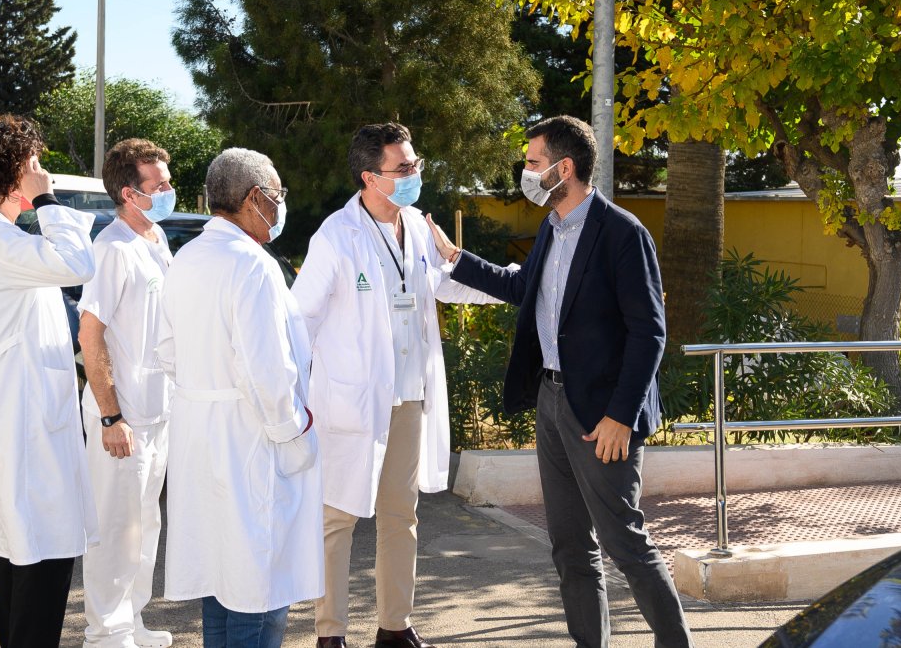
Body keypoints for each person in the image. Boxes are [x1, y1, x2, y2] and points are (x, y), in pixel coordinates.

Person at [427, 115, 693, 648]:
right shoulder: (552, 227)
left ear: (563, 168)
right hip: (551, 402)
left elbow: (649, 333)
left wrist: (620, 416)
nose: (525, 172)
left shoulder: (622, 233)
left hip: (603, 415)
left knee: (625, 543)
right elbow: (521, 287)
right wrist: (456, 258)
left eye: (533, 162)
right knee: (570, 546)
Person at [292, 122, 500, 648]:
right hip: (353, 400)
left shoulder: (418, 225)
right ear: (370, 177)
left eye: (415, 164)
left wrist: (517, 282)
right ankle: (330, 634)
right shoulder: (336, 236)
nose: (414, 174)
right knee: (337, 517)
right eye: (403, 168)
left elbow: (446, 285)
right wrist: (293, 394)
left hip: (409, 396)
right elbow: (301, 320)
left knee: (400, 515)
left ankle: (394, 626)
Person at [157, 148, 323, 648]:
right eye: (277, 193)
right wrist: (294, 429)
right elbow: (266, 369)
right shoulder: (252, 265)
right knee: (259, 582)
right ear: (254, 197)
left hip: (200, 431)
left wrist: (207, 388)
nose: (280, 203)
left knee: (219, 573)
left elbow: (167, 350)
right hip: (252, 438)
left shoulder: (188, 257)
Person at [0, 114, 98, 648]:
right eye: (32, 163)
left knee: (29, 553)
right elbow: (76, 263)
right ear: (9, 172)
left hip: (26, 415)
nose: (41, 171)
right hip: (18, 417)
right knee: (39, 555)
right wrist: (47, 200)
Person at [78, 138, 176, 648]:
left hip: (158, 411)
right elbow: (90, 334)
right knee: (115, 529)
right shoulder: (112, 249)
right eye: (158, 185)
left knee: (146, 525)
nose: (168, 190)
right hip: (123, 416)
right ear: (128, 193)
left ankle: (132, 621)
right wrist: (110, 417)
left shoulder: (156, 240)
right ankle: (105, 633)